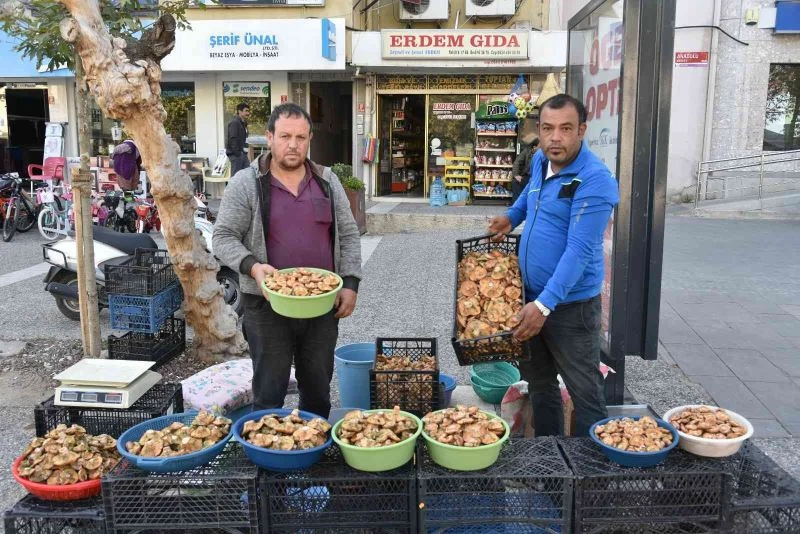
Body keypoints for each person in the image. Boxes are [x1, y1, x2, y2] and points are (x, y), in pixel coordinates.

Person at [212, 103, 362, 419]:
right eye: (284, 136)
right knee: (268, 391)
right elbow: (223, 236)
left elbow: (348, 235)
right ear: (269, 138)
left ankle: (314, 447)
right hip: (267, 306)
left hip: (321, 304)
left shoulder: (327, 181)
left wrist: (350, 284)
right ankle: (270, 457)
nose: (293, 144)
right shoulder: (246, 183)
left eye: (300, 137)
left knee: (318, 388)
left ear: (309, 140)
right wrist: (253, 266)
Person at [487, 94, 619, 437]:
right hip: (529, 299)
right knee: (540, 384)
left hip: (570, 306)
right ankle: (550, 466)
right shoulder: (539, 162)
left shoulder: (595, 180)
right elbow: (530, 196)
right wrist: (510, 217)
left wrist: (545, 305)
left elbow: (578, 249)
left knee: (585, 393)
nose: (554, 137)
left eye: (565, 129)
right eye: (547, 128)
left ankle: (589, 477)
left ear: (582, 131)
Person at [510, 133, 539, 203]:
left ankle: (531, 204)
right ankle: (516, 204)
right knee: (515, 182)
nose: (535, 148)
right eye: (534, 147)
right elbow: (517, 162)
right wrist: (516, 175)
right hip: (527, 176)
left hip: (538, 177)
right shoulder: (527, 151)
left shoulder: (545, 152)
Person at [226, 102, 251, 175]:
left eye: (248, 111)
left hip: (243, 154)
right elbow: (232, 139)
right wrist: (238, 153)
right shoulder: (235, 123)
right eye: (246, 111)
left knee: (247, 175)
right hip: (237, 155)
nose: (248, 113)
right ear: (240, 111)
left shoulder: (243, 124)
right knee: (235, 178)